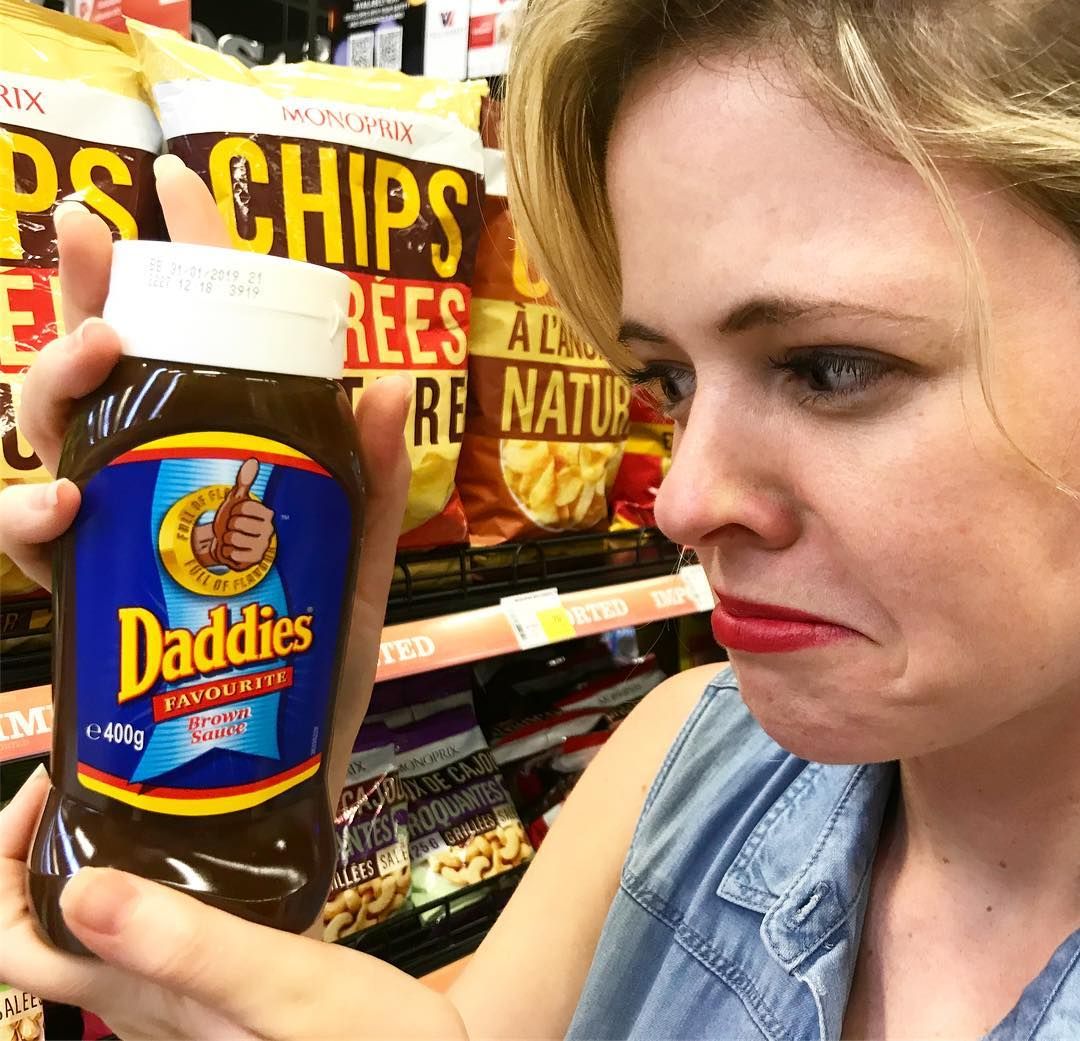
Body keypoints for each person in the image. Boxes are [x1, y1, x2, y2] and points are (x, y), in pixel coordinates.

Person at [2, 0, 1080, 1036]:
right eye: (669, 382)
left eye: (832, 367)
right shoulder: (680, 760)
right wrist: (236, 789)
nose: (682, 501)